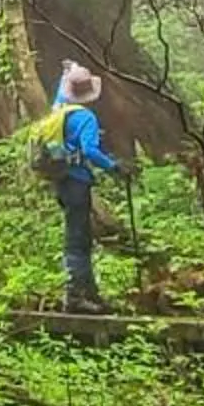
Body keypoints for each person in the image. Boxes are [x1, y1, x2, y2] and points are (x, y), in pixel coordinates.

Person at [38, 62, 127, 313]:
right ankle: (76, 296)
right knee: (78, 239)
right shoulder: (86, 117)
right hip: (77, 181)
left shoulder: (59, 111)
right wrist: (113, 166)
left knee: (78, 236)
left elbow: (59, 95)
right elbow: (90, 150)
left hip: (61, 182)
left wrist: (66, 72)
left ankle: (89, 294)